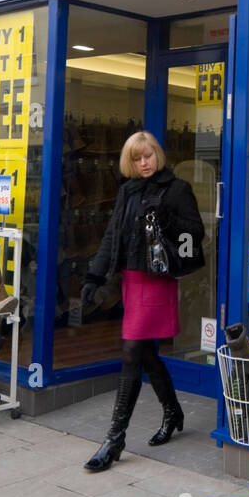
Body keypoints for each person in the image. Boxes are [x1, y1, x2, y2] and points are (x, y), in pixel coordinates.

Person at [81, 131, 204, 471]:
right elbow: (111, 237)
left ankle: (114, 439)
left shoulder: (176, 189)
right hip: (132, 281)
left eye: (148, 155)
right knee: (145, 352)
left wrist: (166, 218)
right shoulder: (127, 191)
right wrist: (94, 276)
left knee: (133, 351)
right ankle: (173, 411)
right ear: (130, 162)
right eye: (137, 158)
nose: (144, 162)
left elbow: (195, 234)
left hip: (158, 282)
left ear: (157, 156)